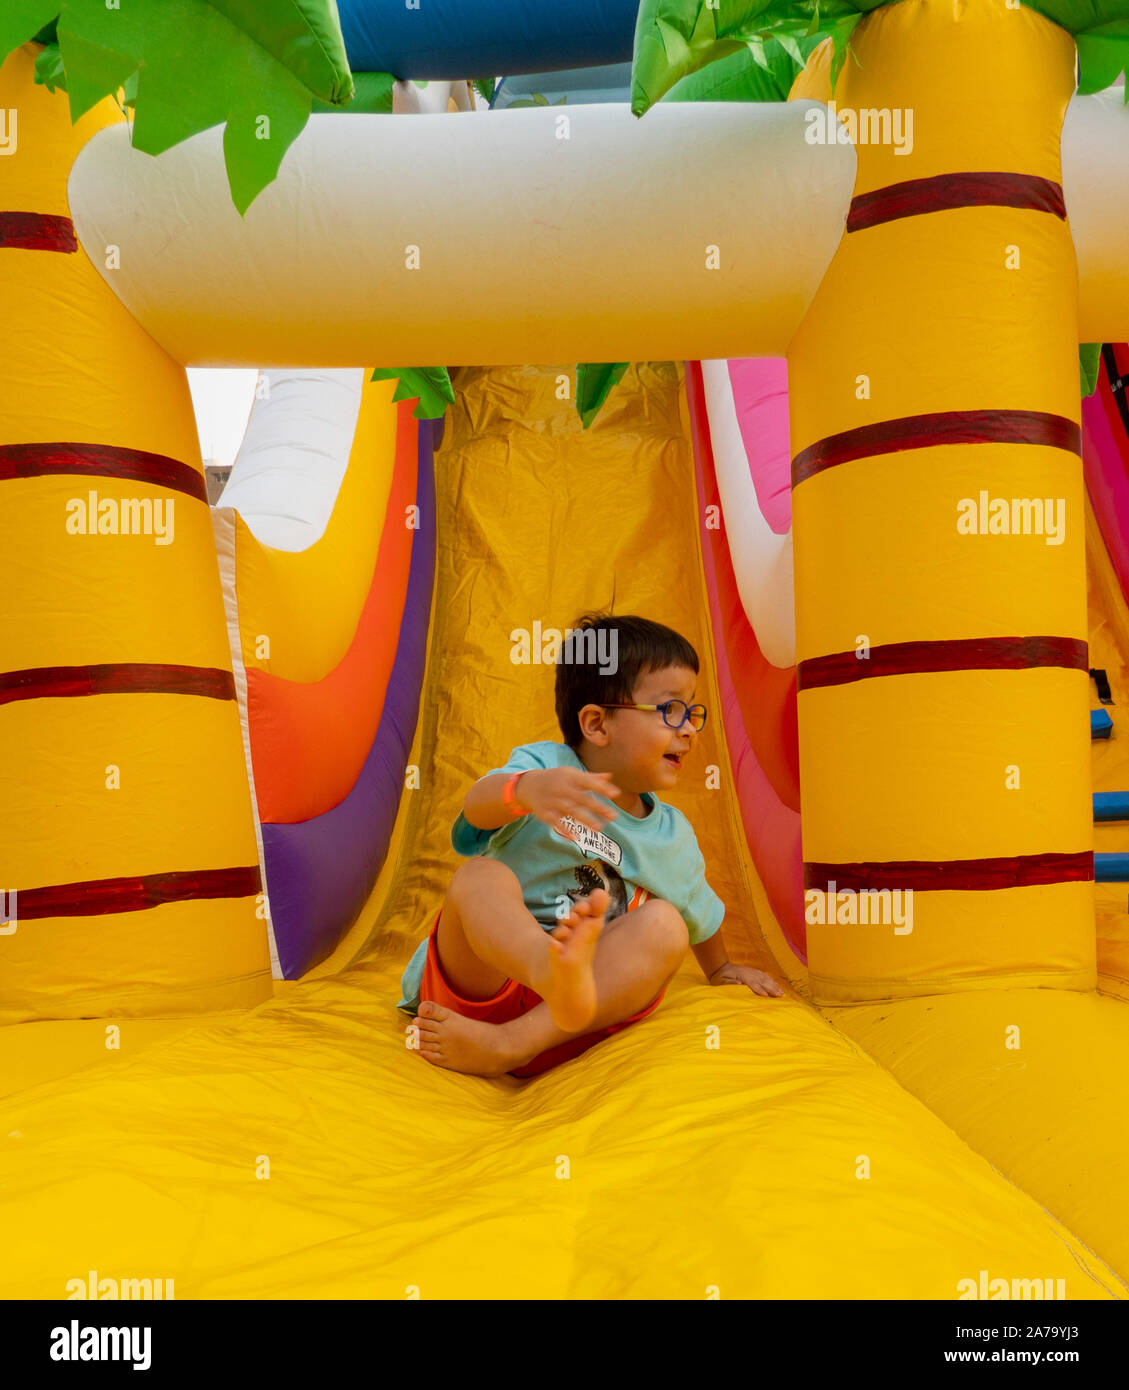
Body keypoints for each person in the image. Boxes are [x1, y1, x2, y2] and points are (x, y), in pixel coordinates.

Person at [397, 612, 782, 1078]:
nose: (689, 729)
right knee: (479, 876)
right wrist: (522, 791)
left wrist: (719, 968)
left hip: (571, 1017)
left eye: (692, 711)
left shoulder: (672, 834)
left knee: (667, 925)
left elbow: (698, 910)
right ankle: (547, 968)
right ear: (598, 724)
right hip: (482, 982)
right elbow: (476, 810)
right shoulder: (545, 767)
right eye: (670, 710)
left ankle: (511, 1043)